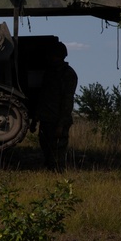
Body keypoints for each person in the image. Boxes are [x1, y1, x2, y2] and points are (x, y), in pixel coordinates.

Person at [34, 41, 79, 171]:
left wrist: (61, 124)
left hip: (57, 119)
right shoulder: (50, 72)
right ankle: (50, 169)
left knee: (58, 151)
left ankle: (57, 172)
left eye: (52, 56)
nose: (49, 58)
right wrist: (36, 117)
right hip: (47, 118)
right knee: (46, 148)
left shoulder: (67, 74)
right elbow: (43, 96)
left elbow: (67, 101)